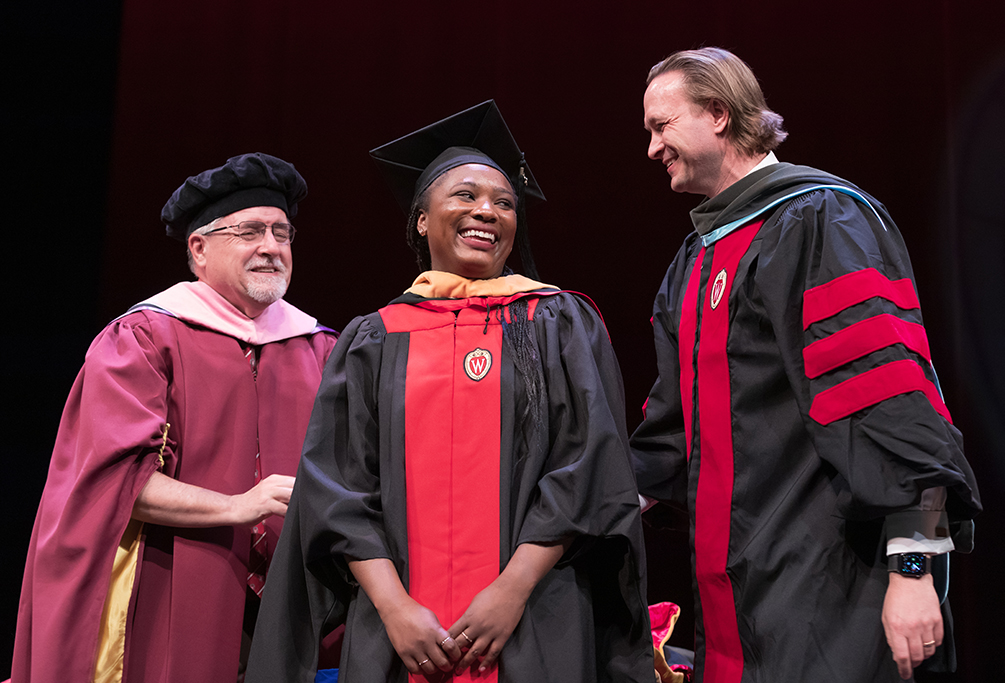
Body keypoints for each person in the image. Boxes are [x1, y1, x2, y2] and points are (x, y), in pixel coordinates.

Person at [246, 101, 653, 683]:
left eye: (505, 202)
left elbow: (589, 468)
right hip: (401, 632)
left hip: (535, 617)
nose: (487, 210)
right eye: (464, 195)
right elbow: (339, 488)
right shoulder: (374, 337)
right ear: (421, 219)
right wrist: (394, 606)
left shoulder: (557, 322)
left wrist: (511, 591)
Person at [630, 48, 982, 682]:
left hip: (834, 586)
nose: (652, 147)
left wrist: (913, 571)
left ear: (716, 114)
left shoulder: (816, 218)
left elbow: (891, 402)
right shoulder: (693, 263)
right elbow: (670, 434)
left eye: (662, 125)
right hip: (739, 595)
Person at [12, 153, 339, 683]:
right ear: (199, 248)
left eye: (282, 232)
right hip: (172, 579)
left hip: (299, 604)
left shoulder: (323, 348)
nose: (272, 247)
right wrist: (240, 506)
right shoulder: (143, 339)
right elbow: (114, 482)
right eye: (250, 231)